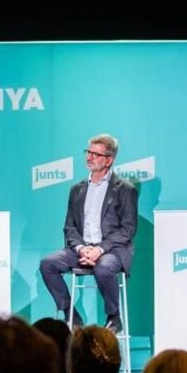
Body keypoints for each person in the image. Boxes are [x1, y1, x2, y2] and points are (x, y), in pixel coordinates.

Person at [39, 134, 137, 330]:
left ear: (109, 160)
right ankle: (71, 316)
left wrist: (99, 250)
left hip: (111, 251)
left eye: (96, 154)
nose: (89, 157)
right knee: (48, 264)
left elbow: (128, 229)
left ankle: (114, 318)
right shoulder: (77, 189)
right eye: (88, 152)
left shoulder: (125, 190)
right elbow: (69, 226)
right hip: (82, 249)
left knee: (103, 267)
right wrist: (82, 248)